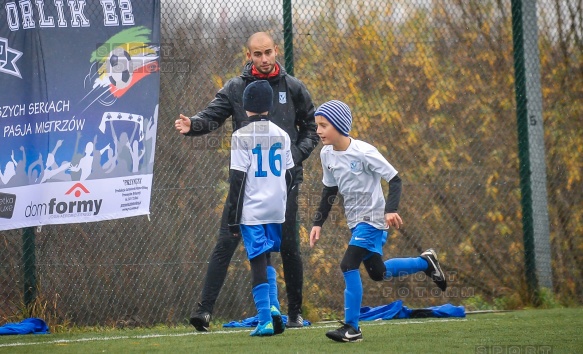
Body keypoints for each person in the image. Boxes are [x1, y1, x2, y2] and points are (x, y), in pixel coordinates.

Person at [175, 31, 318, 331]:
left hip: (284, 184)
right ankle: (204, 312)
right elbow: (212, 115)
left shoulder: (293, 87)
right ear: (248, 55)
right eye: (257, 54)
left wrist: (294, 155)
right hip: (246, 185)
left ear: (276, 50)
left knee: (289, 246)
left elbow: (311, 128)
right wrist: (193, 125)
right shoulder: (237, 87)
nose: (264, 59)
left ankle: (293, 315)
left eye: (268, 52)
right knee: (227, 241)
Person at [308, 100, 447, 343]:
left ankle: (352, 328)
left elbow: (395, 179)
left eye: (323, 125)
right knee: (377, 272)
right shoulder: (326, 154)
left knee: (348, 264)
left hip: (372, 219)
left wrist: (390, 210)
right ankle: (426, 263)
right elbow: (329, 190)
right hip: (356, 222)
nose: (318, 130)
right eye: (317, 125)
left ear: (339, 125)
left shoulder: (364, 152)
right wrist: (318, 223)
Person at [228, 80, 294, 336]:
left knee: (256, 258)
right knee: (268, 256)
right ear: (269, 107)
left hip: (253, 208)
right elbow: (289, 175)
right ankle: (275, 307)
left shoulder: (240, 136)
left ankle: (265, 319)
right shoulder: (282, 134)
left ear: (246, 108)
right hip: (276, 207)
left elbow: (237, 179)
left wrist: (233, 219)